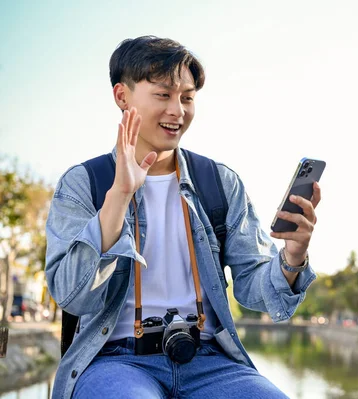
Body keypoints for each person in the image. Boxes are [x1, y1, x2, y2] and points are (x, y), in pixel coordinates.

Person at [45, 35, 320, 399]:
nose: (178, 111)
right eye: (163, 95)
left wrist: (292, 257)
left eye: (187, 98)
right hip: (115, 362)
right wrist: (118, 197)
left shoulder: (219, 182)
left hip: (209, 359)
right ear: (122, 96)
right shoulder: (84, 183)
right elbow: (71, 297)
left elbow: (255, 289)